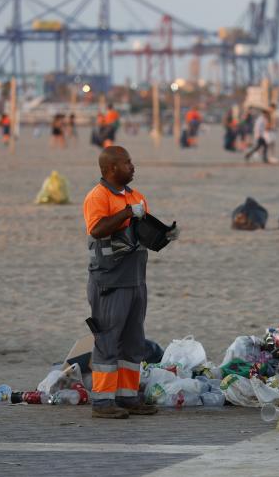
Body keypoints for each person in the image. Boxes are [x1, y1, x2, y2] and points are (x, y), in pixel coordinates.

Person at [82, 146, 179, 419]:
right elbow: (97, 229)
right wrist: (126, 213)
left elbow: (141, 237)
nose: (133, 167)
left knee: (133, 342)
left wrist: (164, 236)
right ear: (111, 169)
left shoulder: (136, 197)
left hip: (136, 280)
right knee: (108, 341)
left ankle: (127, 397)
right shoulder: (97, 196)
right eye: (127, 163)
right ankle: (102, 403)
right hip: (109, 281)